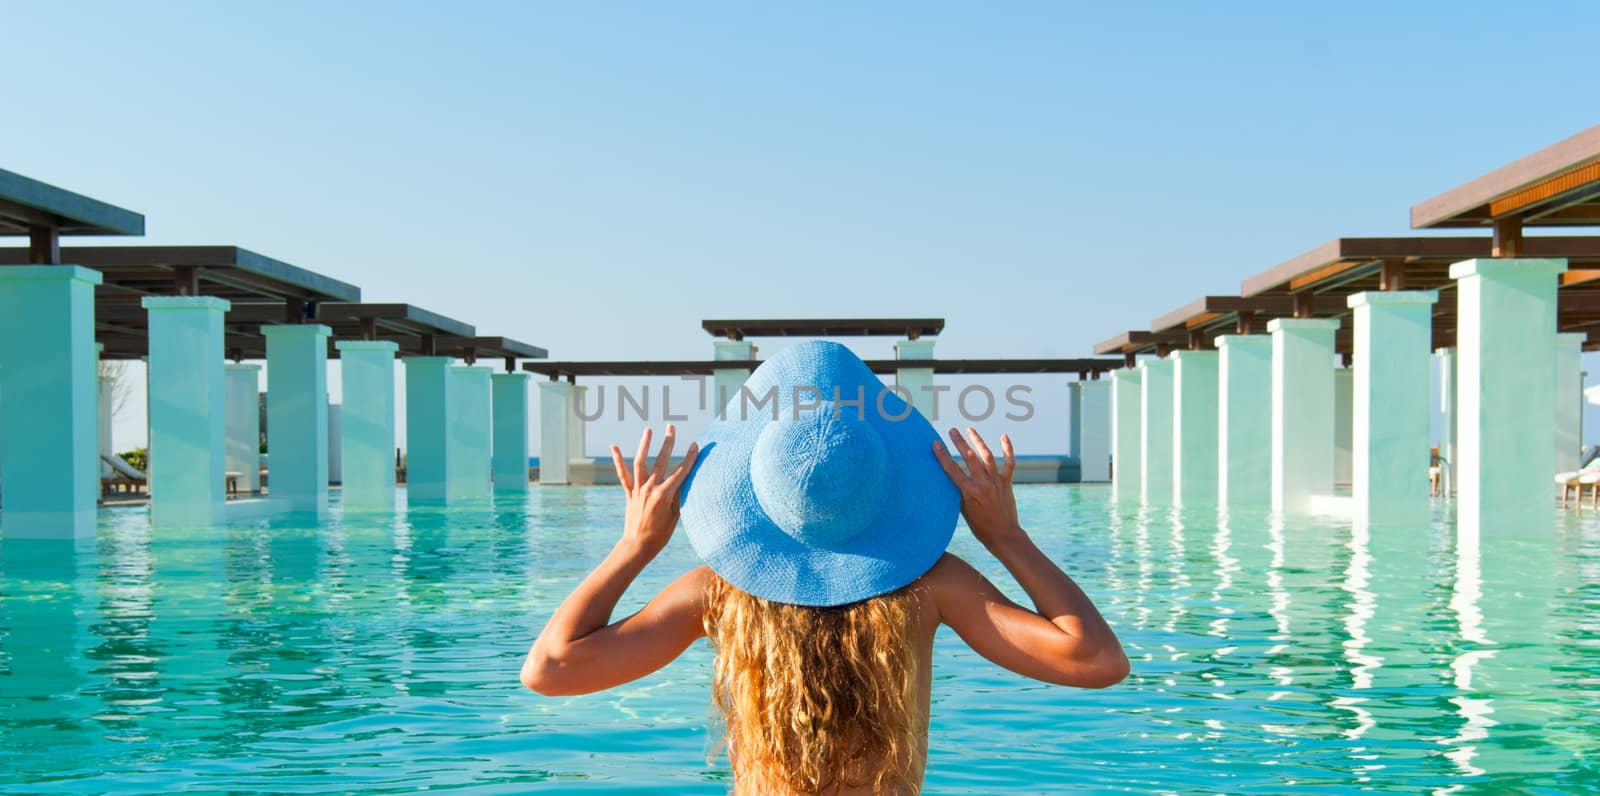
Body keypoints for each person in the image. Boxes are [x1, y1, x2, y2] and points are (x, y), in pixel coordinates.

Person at [522, 342, 1128, 795]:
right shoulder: (932, 586)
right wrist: (1007, 535)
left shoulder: (716, 594)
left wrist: (635, 545)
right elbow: (1097, 661)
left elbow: (550, 671)